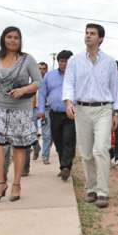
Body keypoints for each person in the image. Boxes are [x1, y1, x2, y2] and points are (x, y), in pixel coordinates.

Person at [62, 23, 118, 208]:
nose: (88, 36)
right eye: (86, 33)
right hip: (81, 110)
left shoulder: (110, 62)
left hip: (104, 109)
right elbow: (69, 83)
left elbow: (115, 88)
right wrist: (68, 102)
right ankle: (91, 188)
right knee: (87, 153)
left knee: (101, 150)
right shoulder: (75, 60)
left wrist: (116, 112)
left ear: (100, 38)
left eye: (92, 33)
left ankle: (103, 191)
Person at [0, 26, 41, 203]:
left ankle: (16, 184)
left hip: (21, 110)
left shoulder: (27, 59)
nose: (13, 40)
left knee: (19, 147)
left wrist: (23, 90)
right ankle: (0, 183)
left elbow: (38, 81)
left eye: (16, 37)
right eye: (9, 37)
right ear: (3, 39)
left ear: (20, 41)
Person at [38, 50, 75, 181]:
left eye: (66, 61)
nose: (64, 64)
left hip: (71, 114)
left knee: (68, 140)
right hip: (54, 113)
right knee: (58, 141)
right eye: (61, 61)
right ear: (58, 62)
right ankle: (63, 166)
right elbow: (42, 94)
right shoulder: (49, 76)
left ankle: (66, 167)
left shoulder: (76, 75)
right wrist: (41, 110)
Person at [37, 61, 52, 164]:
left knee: (46, 134)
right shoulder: (32, 80)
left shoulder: (49, 81)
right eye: (39, 68)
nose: (41, 70)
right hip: (33, 109)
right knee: (30, 133)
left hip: (46, 109)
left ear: (46, 70)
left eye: (43, 68)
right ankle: (36, 146)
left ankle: (45, 156)